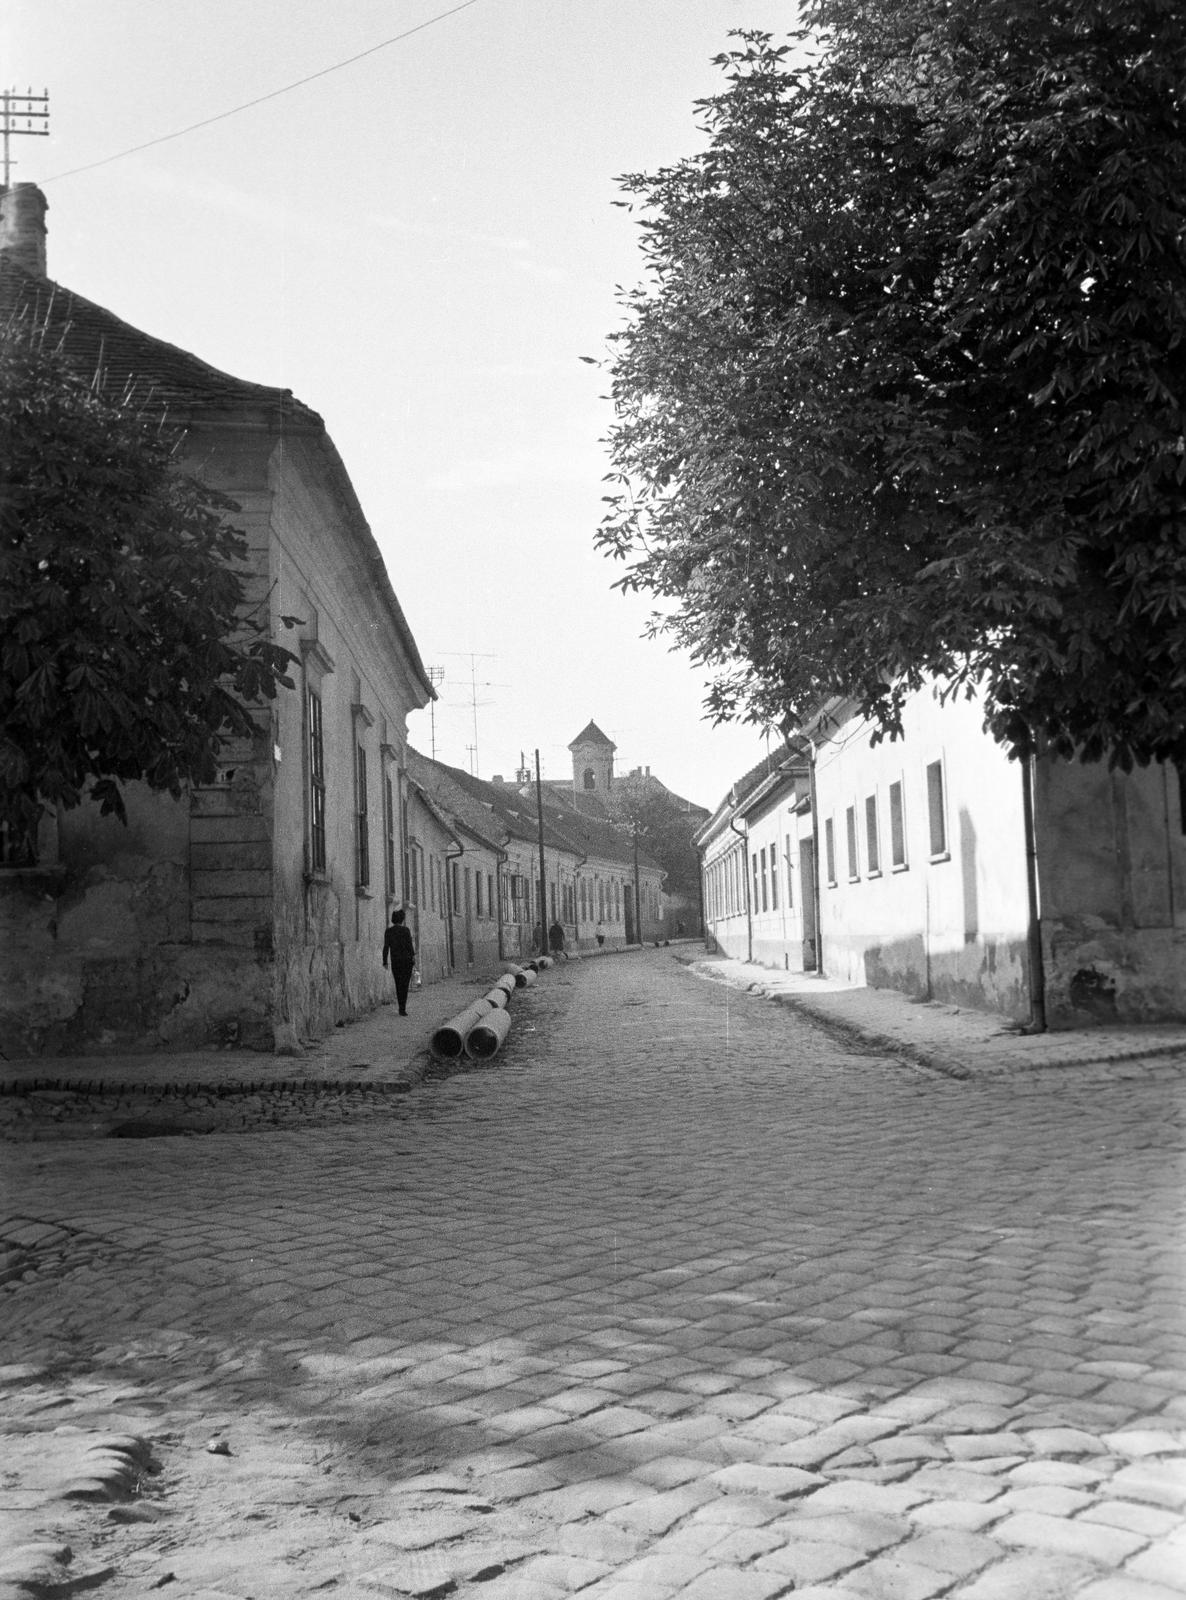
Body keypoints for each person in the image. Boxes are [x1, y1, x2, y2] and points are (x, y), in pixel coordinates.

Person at [382, 909, 416, 1016]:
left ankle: (400, 1006)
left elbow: (386, 947)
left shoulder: (388, 931)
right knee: (405, 984)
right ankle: (402, 1008)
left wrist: (385, 961)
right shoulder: (406, 930)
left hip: (396, 961)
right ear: (402, 919)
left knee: (398, 984)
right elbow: (410, 945)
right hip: (406, 961)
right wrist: (413, 957)